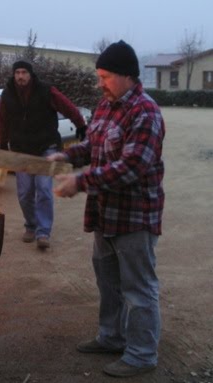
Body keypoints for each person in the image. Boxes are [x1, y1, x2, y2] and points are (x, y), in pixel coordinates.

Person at [48, 40, 165, 377]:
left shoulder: (145, 112)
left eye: (106, 76)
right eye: (98, 76)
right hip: (105, 215)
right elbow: (93, 143)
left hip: (134, 217)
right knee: (108, 283)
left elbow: (132, 166)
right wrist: (67, 156)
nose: (100, 83)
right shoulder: (105, 105)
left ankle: (142, 354)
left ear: (127, 76)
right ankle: (112, 337)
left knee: (139, 289)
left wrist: (80, 182)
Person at [0, 60, 87, 249]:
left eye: (24, 72)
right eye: (17, 72)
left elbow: (67, 106)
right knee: (24, 193)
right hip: (21, 149)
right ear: (14, 75)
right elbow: (2, 120)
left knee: (44, 189)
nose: (20, 76)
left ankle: (43, 232)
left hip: (46, 146)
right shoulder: (7, 95)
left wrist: (80, 124)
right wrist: (3, 144)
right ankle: (31, 225)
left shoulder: (45, 90)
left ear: (30, 74)